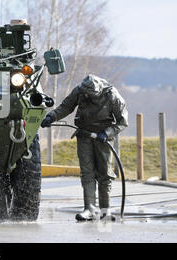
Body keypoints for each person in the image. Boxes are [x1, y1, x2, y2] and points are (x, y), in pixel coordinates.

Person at [41, 74, 128, 221]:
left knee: (104, 173)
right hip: (84, 134)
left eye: (90, 95)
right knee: (86, 172)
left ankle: (105, 210)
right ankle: (89, 208)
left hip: (103, 137)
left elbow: (123, 121)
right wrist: (52, 116)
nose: (87, 96)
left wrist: (107, 133)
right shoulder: (79, 91)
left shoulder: (112, 95)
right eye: (85, 94)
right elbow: (66, 106)